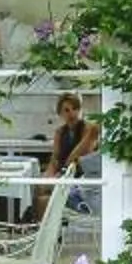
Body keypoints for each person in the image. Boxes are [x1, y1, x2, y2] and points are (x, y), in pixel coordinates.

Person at [32, 92, 101, 221]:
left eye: (75, 109)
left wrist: (59, 175)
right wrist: (48, 176)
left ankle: (44, 227)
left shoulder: (89, 129)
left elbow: (80, 156)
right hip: (64, 174)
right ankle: (40, 229)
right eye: (66, 110)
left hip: (80, 177)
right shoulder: (60, 132)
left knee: (47, 194)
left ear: (80, 110)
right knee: (40, 191)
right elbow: (55, 159)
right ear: (60, 113)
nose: (72, 114)